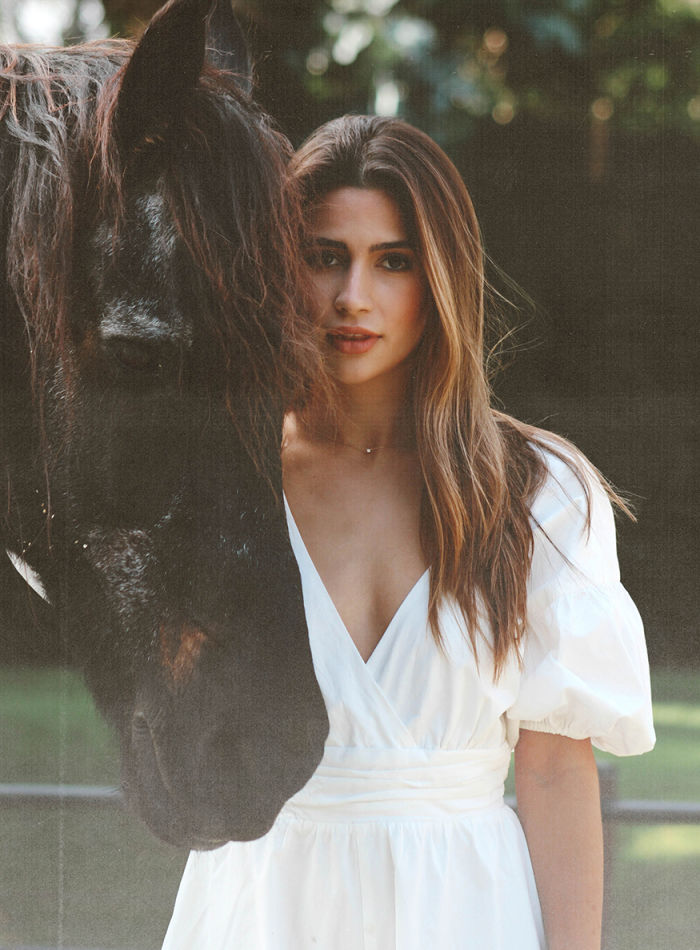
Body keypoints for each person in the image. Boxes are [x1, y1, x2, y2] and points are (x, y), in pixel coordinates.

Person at [162, 115, 655, 950]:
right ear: (281, 267)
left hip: (465, 909)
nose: (352, 295)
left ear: (440, 278)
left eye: (393, 261)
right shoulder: (222, 477)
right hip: (262, 907)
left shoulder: (536, 491)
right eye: (325, 255)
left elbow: (551, 771)